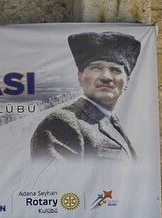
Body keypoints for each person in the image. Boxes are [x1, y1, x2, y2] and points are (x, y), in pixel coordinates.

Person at [30, 31, 142, 161]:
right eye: (96, 68)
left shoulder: (114, 124)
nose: (106, 77)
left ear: (127, 81)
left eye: (116, 70)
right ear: (80, 77)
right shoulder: (61, 122)